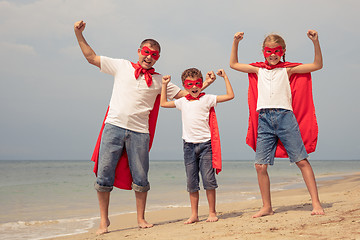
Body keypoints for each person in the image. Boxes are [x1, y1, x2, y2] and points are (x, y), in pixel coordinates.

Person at [73, 20, 214, 234]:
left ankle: (141, 218)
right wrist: (78, 34)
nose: (149, 57)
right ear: (139, 51)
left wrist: (206, 85)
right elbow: (91, 57)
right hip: (113, 127)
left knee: (140, 178)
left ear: (157, 57)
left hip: (140, 133)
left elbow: (189, 94)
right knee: (104, 176)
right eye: (146, 52)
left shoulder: (160, 80)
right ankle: (104, 221)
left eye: (154, 55)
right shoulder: (121, 66)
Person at [230, 30, 325, 218]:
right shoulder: (258, 69)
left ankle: (316, 203)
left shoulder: (288, 69)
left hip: (285, 117)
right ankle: (267, 206)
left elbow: (317, 65)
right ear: (263, 51)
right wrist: (236, 42)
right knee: (260, 165)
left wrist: (315, 42)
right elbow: (233, 64)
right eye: (268, 51)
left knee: (301, 160)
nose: (272, 54)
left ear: (282, 51)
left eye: (276, 51)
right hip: (264, 119)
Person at [160, 68, 234, 224]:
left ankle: (212, 212)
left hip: (206, 145)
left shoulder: (207, 98)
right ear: (184, 86)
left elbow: (230, 96)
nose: (194, 87)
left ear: (201, 83)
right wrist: (164, 84)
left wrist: (225, 77)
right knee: (191, 181)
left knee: (208, 179)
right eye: (190, 84)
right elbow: (163, 103)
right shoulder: (182, 101)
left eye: (197, 83)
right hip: (188, 146)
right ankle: (194, 214)